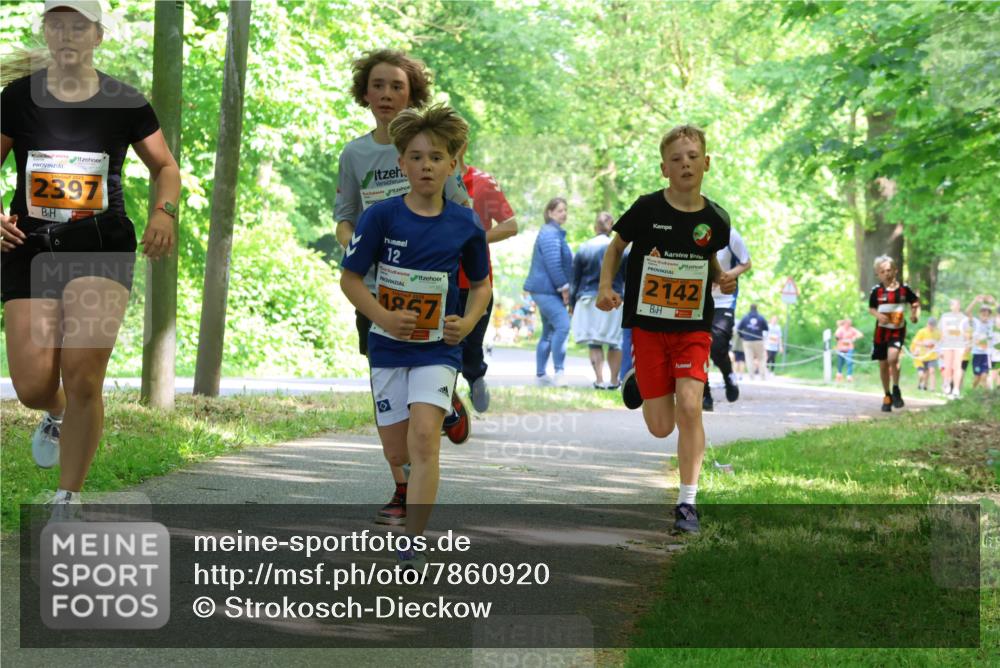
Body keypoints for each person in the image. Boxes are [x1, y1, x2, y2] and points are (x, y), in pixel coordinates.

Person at [0, 0, 179, 513]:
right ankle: (54, 413)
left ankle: (68, 498)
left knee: (83, 374)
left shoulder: (125, 101)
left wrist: (164, 213)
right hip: (29, 246)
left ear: (98, 35)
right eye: (56, 25)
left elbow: (165, 167)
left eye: (78, 26)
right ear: (45, 32)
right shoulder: (17, 98)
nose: (67, 34)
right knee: (33, 386)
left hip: (99, 245)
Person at [339, 105, 489, 569]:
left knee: (425, 439)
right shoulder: (381, 217)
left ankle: (412, 541)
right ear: (401, 163)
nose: (426, 166)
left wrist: (467, 323)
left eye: (436, 157)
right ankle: (446, 411)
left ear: (452, 165)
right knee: (397, 450)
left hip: (438, 348)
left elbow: (481, 286)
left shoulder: (465, 223)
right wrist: (383, 316)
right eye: (417, 157)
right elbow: (350, 279)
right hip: (387, 347)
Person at [332, 49, 471, 526]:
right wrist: (362, 246)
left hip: (432, 289)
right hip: (377, 289)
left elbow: (461, 210)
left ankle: (440, 398)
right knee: (387, 391)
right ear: (364, 93)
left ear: (413, 94)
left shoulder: (430, 149)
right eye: (378, 85)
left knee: (424, 398)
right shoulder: (355, 154)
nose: (386, 94)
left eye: (397, 86)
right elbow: (344, 217)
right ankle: (402, 483)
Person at [597, 124, 737, 534]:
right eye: (676, 159)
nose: (685, 164)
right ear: (664, 169)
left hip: (693, 327)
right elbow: (615, 247)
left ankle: (687, 503)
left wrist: (721, 277)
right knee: (661, 427)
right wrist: (606, 286)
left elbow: (707, 256)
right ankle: (641, 376)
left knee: (691, 406)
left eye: (692, 157)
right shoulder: (647, 209)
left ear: (706, 163)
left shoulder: (716, 219)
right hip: (649, 326)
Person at [455, 145, 518, 412]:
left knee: (471, 345)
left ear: (463, 144)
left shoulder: (483, 182)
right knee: (441, 347)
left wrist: (474, 238)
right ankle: (444, 403)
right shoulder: (426, 179)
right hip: (435, 278)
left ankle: (475, 376)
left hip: (475, 281)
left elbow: (510, 226)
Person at [571, 212, 624, 389]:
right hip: (614, 298)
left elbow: (575, 279)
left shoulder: (584, 247)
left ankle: (599, 380)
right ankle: (614, 381)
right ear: (612, 227)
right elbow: (626, 276)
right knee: (615, 342)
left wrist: (572, 304)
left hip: (588, 299)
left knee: (594, 341)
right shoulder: (619, 249)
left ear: (595, 227)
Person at [523, 197, 573, 386]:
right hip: (545, 290)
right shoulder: (550, 233)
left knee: (549, 332)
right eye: (560, 210)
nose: (564, 213)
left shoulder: (553, 232)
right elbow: (553, 264)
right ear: (550, 213)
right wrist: (564, 288)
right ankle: (559, 373)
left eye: (565, 210)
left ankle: (541, 375)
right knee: (563, 325)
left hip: (546, 290)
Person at [702, 227, 750, 410]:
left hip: (723, 300)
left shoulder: (729, 234)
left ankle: (728, 375)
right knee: (697, 347)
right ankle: (704, 395)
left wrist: (725, 277)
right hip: (695, 300)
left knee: (717, 346)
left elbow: (746, 263)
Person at [868, 255, 920, 412]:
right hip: (881, 332)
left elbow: (915, 301)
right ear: (878, 274)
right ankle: (887, 395)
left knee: (893, 358)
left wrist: (914, 314)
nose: (887, 274)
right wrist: (879, 315)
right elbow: (871, 308)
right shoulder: (876, 291)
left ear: (895, 271)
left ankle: (896, 388)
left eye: (889, 270)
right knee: (883, 364)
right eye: (882, 271)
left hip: (897, 330)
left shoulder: (904, 289)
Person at [938, 298, 970, 399]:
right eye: (953, 305)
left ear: (959, 306)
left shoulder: (964, 318)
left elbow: (967, 333)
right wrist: (939, 348)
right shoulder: (945, 316)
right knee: (947, 366)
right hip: (947, 344)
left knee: (957, 366)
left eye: (957, 304)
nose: (955, 306)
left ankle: (956, 389)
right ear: (950, 306)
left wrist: (967, 344)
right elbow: (942, 333)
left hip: (959, 344)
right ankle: (947, 384)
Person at [966, 295, 997, 390]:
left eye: (987, 315)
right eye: (983, 314)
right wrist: (975, 300)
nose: (985, 317)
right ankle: (973, 391)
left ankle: (986, 395)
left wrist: (994, 302)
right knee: (977, 377)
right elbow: (968, 312)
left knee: (984, 376)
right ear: (979, 314)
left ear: (990, 316)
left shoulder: (991, 323)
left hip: (987, 355)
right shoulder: (975, 322)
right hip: (977, 354)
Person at [737, 304, 769, 380]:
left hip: (747, 341)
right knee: (762, 358)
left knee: (749, 359)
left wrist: (743, 336)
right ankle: (762, 376)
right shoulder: (761, 317)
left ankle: (751, 376)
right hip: (759, 340)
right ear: (756, 308)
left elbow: (738, 329)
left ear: (750, 308)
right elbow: (766, 328)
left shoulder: (745, 317)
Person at [910, 317, 941, 392]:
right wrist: (925, 344)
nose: (931, 327)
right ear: (927, 324)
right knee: (923, 374)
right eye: (930, 325)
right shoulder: (922, 332)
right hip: (922, 356)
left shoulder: (938, 333)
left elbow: (940, 343)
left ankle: (932, 388)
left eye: (933, 325)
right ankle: (922, 385)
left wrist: (939, 352)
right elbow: (915, 341)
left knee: (932, 371)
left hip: (932, 356)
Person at [833, 318, 865, 382]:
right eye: (848, 323)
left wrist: (855, 337)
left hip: (849, 348)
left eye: (850, 324)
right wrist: (840, 338)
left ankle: (849, 376)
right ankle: (839, 375)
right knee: (840, 362)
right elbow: (836, 337)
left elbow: (861, 334)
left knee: (849, 361)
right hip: (841, 348)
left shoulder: (852, 329)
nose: (849, 325)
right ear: (845, 323)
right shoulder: (840, 329)